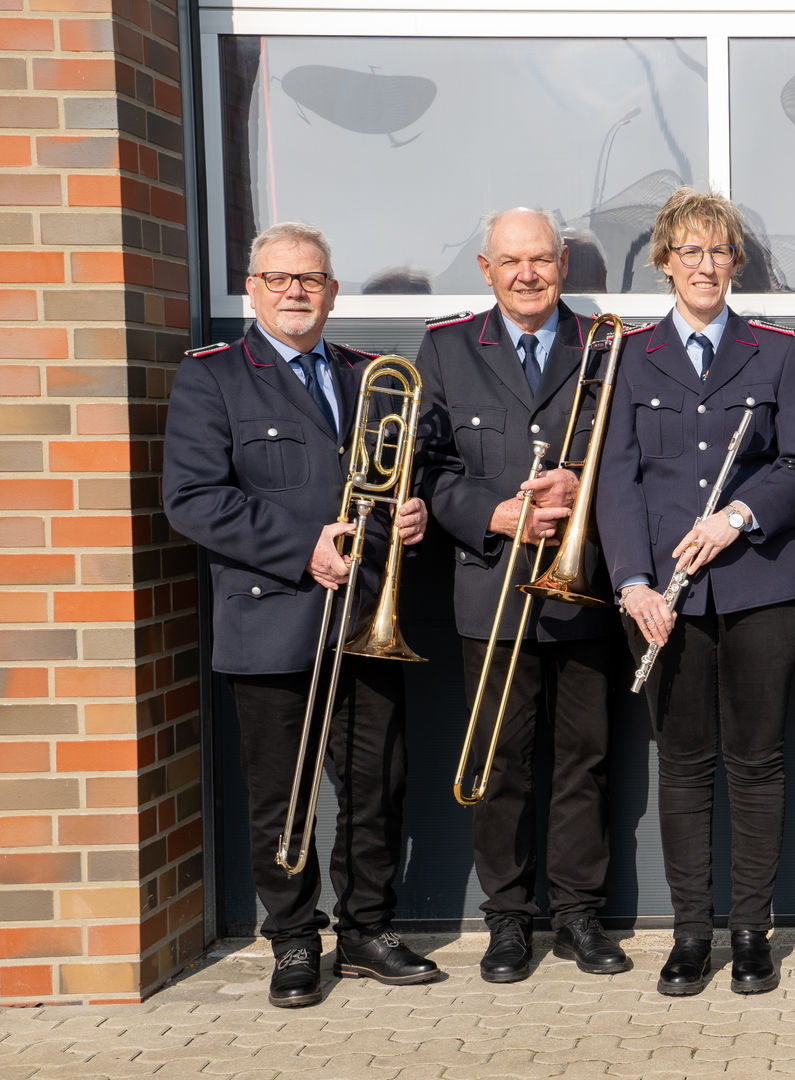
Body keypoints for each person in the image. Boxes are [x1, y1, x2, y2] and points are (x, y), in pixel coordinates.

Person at [162, 222, 438, 1007]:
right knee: (281, 797)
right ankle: (291, 938)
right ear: (252, 290)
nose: (295, 292)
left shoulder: (367, 374)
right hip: (273, 616)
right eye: (278, 279)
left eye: (310, 279)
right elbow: (193, 499)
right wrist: (300, 549)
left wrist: (408, 517)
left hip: (364, 617)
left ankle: (366, 930)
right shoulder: (214, 377)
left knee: (375, 784)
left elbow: (387, 486)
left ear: (333, 292)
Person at [597, 189, 795, 996]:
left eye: (718, 251)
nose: (704, 265)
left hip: (764, 588)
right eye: (688, 252)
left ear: (736, 262)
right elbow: (614, 481)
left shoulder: (776, 351)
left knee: (757, 762)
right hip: (664, 597)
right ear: (664, 263)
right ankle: (691, 933)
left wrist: (738, 515)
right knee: (685, 766)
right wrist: (630, 583)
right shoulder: (628, 357)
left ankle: (751, 932)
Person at [414, 207, 629, 983]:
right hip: (491, 587)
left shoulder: (605, 344)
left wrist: (585, 486)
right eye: (511, 262)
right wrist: (494, 512)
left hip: (581, 589)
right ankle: (508, 920)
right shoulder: (445, 348)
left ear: (562, 262)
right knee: (501, 762)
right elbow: (428, 466)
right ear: (485, 268)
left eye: (540, 259)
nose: (527, 274)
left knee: (586, 761)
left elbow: (630, 455)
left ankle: (578, 914)